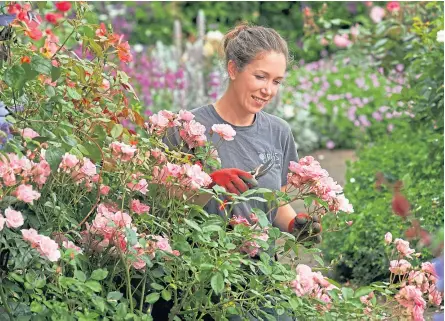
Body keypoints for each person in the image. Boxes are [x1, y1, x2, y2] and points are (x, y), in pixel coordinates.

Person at [161, 23, 320, 320]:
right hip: (199, 279)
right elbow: (162, 205)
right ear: (233, 69)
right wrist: (207, 185)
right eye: (260, 76)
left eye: (276, 81)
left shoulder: (278, 132)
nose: (268, 89)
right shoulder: (188, 128)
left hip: (260, 280)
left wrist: (295, 225)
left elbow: (276, 201)